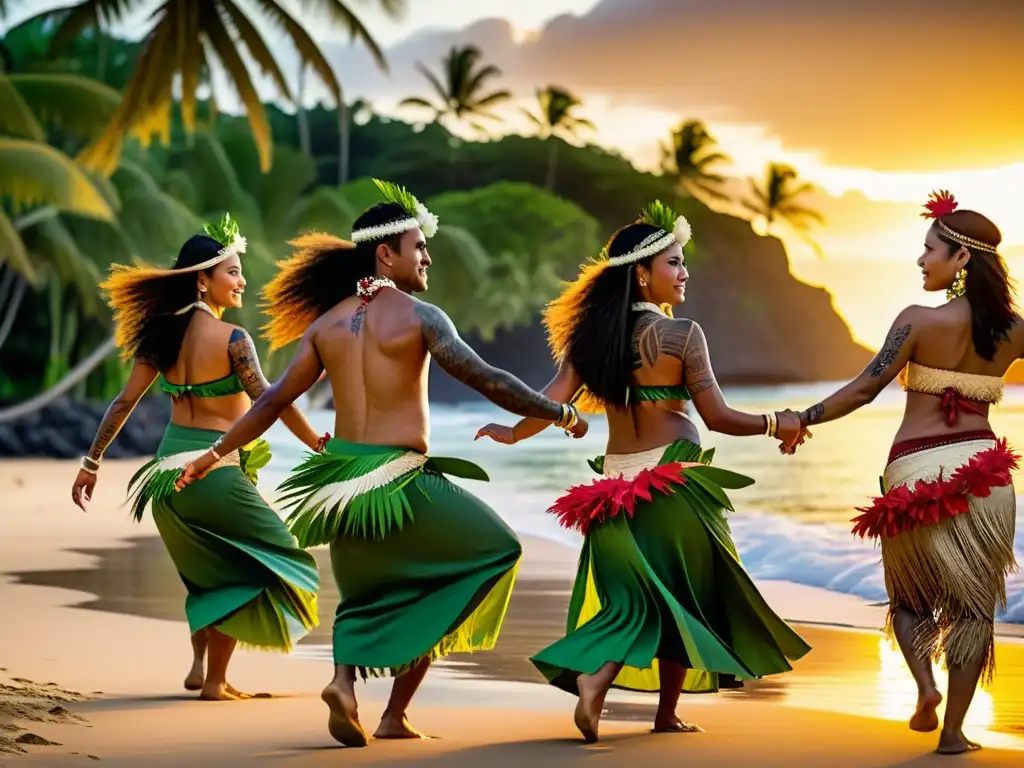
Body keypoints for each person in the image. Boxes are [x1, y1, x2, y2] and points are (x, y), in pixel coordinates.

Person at [175, 180, 588, 745]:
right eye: (419, 246)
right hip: (399, 477)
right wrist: (559, 412)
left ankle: (352, 690)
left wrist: (214, 454)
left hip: (339, 482)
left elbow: (273, 400)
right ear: (385, 255)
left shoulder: (325, 325)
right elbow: (487, 378)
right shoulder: (421, 316)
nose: (428, 256)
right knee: (494, 550)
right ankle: (388, 709)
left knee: (364, 594)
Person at [476, 201, 812, 742]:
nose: (684, 273)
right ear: (642, 272)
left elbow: (550, 398)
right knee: (683, 595)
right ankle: (606, 684)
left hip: (614, 485)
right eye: (674, 263)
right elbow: (720, 417)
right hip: (674, 481)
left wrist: (513, 433)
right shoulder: (683, 336)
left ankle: (655, 710)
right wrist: (780, 421)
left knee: (640, 598)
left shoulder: (592, 340)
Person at [789, 191, 1018, 755]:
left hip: (916, 472)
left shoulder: (916, 320)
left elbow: (865, 388)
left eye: (929, 249)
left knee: (911, 599)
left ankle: (924, 687)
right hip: (985, 476)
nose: (921, 260)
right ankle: (955, 734)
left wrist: (799, 418)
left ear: (961, 259)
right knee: (972, 610)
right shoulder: (1015, 331)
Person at [70, 214, 326, 701]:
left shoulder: (160, 337)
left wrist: (91, 463)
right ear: (202, 280)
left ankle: (200, 664)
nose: (241, 280)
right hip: (212, 469)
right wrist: (315, 441)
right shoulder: (233, 341)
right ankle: (215, 682)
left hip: (163, 479)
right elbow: (271, 402)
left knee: (207, 570)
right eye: (232, 271)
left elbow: (122, 404)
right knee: (269, 561)